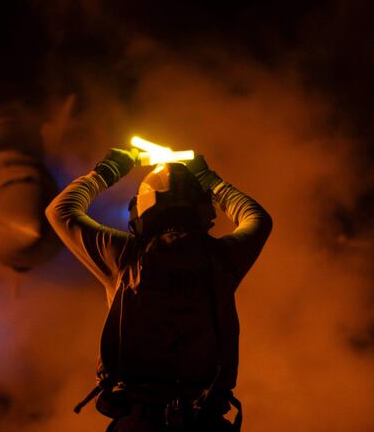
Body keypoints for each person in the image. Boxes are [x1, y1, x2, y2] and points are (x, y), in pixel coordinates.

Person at [46, 148, 272, 431]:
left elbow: (60, 210)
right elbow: (258, 219)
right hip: (205, 424)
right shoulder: (223, 257)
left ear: (141, 210)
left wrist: (108, 170)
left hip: (139, 423)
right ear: (204, 209)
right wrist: (211, 179)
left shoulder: (123, 255)